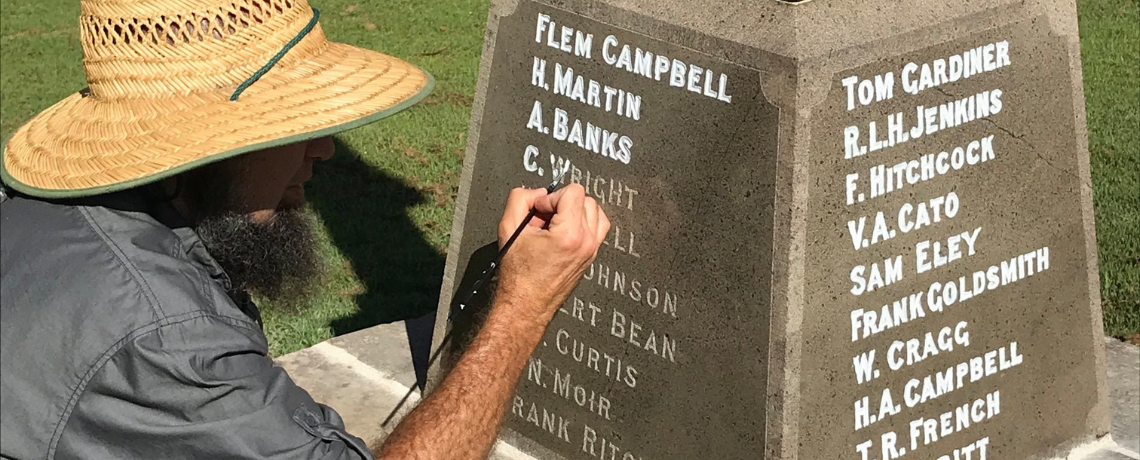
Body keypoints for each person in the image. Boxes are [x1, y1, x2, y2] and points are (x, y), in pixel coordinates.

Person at [0, 1, 609, 459]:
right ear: (205, 147)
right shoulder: (168, 341)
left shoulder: (52, 216)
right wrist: (521, 308)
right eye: (292, 126)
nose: (323, 148)